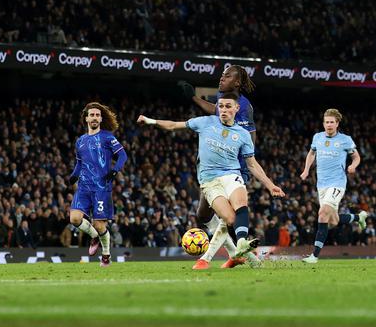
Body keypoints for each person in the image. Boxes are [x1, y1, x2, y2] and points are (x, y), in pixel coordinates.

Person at [138, 93, 285, 258]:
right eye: (220, 106)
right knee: (230, 219)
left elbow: (252, 164)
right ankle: (238, 250)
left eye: (228, 106)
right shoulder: (205, 122)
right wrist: (150, 121)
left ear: (237, 108)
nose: (223, 110)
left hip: (232, 175)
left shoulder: (243, 134)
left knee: (241, 203)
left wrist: (270, 185)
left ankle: (242, 242)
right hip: (210, 180)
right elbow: (173, 125)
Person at [178, 65, 261, 269]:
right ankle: (240, 254)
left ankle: (211, 258)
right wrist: (195, 99)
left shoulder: (243, 104)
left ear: (237, 83)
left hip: (231, 169)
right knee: (204, 215)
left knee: (225, 216)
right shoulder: (225, 101)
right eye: (222, 75)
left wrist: (245, 166)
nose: (221, 79)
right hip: (215, 169)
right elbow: (214, 111)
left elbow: (250, 136)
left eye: (227, 76)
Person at [300, 108, 367, 263]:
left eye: (332, 122)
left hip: (337, 182)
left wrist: (353, 166)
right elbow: (311, 153)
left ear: (337, 124)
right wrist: (306, 170)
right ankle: (359, 217)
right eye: (326, 122)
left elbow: (356, 157)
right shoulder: (317, 137)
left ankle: (314, 256)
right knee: (333, 221)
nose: (329, 125)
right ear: (323, 123)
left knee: (322, 213)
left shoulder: (345, 140)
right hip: (321, 184)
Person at [69, 102, 128, 267]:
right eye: (91, 115)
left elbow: (123, 156)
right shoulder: (80, 141)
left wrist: (115, 170)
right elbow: (79, 164)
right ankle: (94, 236)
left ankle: (106, 255)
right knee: (74, 218)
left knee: (99, 225)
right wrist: (73, 176)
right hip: (84, 186)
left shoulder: (108, 137)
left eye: (97, 115)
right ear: (86, 118)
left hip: (102, 187)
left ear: (101, 119)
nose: (94, 117)